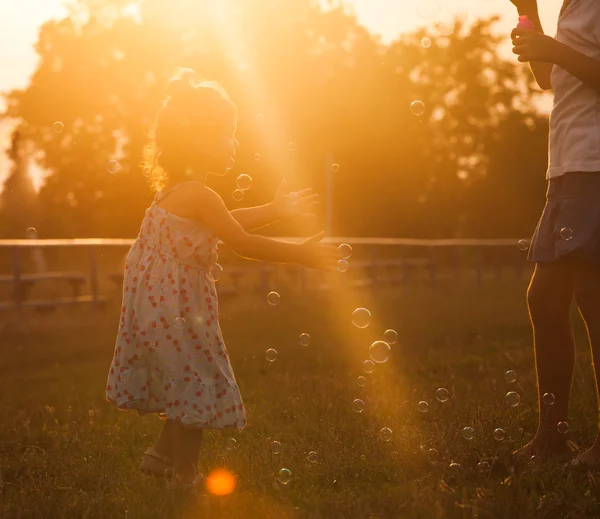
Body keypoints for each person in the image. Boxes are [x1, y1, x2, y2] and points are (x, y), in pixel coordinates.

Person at [105, 68, 338, 489]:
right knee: (195, 379)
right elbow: (241, 241)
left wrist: (274, 208)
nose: (235, 143)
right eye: (227, 134)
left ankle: (160, 456)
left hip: (157, 311)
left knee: (184, 377)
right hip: (178, 312)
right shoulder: (202, 195)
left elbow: (221, 224)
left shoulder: (179, 193)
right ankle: (186, 475)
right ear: (197, 140)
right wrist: (301, 253)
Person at [510, 0, 600, 464]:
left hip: (595, 164)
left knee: (593, 297)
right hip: (567, 167)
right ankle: (552, 437)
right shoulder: (571, 5)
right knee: (544, 299)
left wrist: (554, 50)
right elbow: (548, 78)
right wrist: (528, 13)